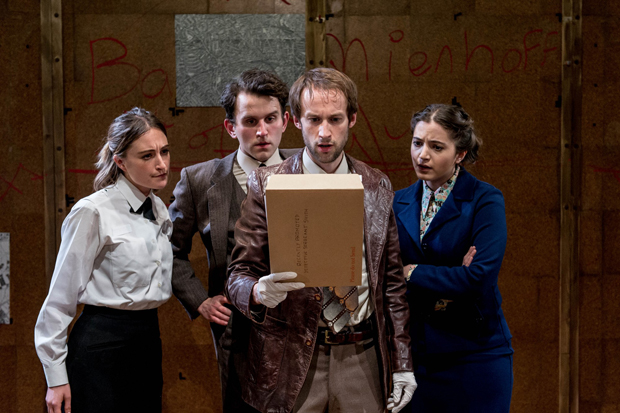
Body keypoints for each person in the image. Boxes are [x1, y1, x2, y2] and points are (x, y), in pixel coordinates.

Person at [225, 67, 416, 413]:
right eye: (314, 119)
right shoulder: (267, 183)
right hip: (295, 355)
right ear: (296, 121)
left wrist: (402, 363)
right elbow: (238, 274)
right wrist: (256, 291)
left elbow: (392, 285)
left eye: (335, 119)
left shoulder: (375, 185)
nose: (324, 132)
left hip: (361, 352)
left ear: (352, 119)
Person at [168, 68, 299, 411]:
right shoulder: (199, 180)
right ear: (231, 127)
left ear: (286, 121)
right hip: (237, 331)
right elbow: (168, 250)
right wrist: (200, 299)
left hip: (300, 327)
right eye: (250, 121)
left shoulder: (309, 168)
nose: (262, 131)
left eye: (270, 119)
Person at [34, 108, 173, 413]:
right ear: (120, 161)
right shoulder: (93, 211)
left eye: (164, 151)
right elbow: (59, 300)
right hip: (102, 343)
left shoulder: (159, 207)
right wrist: (55, 378)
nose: (161, 164)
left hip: (148, 339)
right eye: (147, 156)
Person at [393, 104, 513, 413]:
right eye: (417, 143)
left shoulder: (484, 199)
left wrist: (412, 272)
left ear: (460, 154)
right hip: (417, 357)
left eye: (436, 147)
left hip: (475, 354)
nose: (422, 155)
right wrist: (451, 276)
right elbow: (386, 278)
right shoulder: (398, 201)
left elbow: (478, 278)